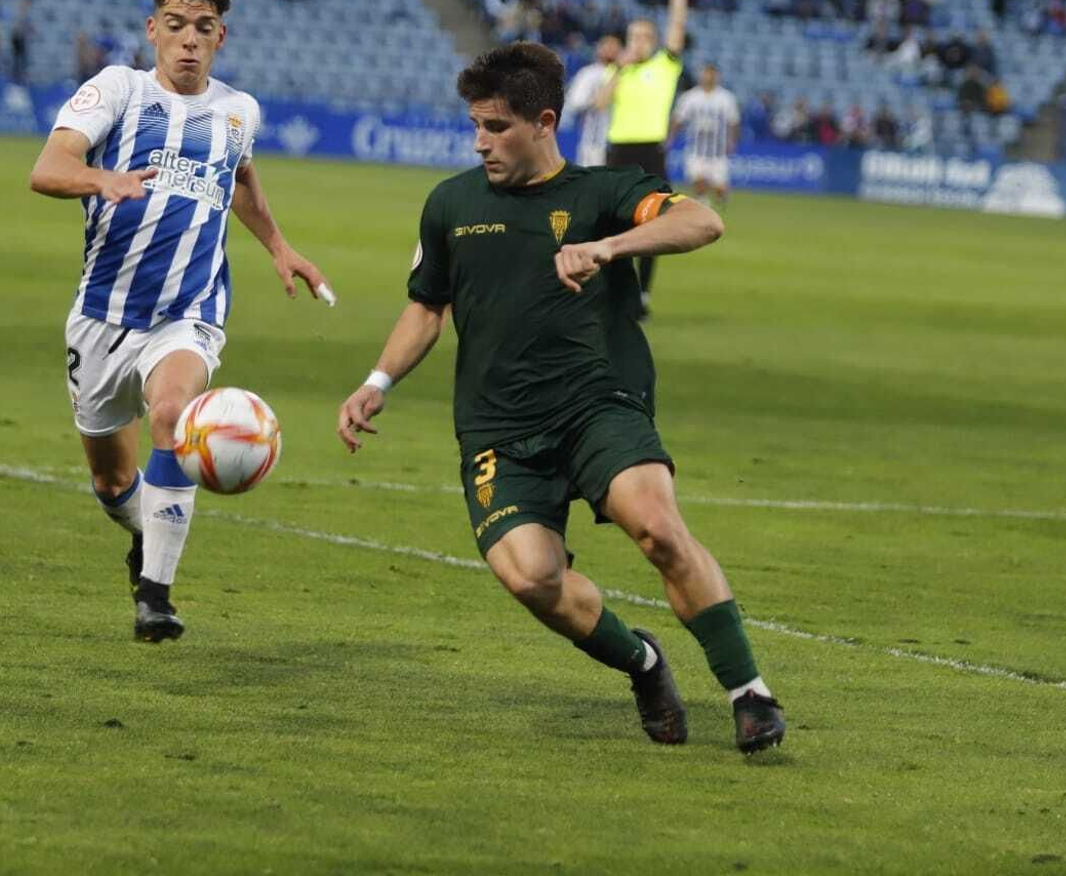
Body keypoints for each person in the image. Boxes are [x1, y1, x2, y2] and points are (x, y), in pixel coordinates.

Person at [335, 43, 785, 753]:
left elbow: (704, 220)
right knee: (532, 575)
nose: (481, 141)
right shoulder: (450, 204)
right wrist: (376, 382)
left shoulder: (602, 194)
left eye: (497, 126)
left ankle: (749, 692)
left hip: (595, 403)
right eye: (476, 125)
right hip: (497, 427)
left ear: (544, 121)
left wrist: (610, 248)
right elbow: (427, 307)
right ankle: (642, 662)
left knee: (659, 529)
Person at [28, 0, 331, 643]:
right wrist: (100, 179)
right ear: (152, 29)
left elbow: (242, 179)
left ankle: (156, 595)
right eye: (174, 26)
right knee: (112, 483)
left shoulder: (237, 110)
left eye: (202, 27)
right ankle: (143, 534)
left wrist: (281, 248)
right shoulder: (117, 90)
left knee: (172, 413)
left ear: (222, 34)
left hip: (188, 312)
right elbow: (46, 169)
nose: (188, 40)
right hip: (102, 315)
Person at [597, 0, 691, 319]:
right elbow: (601, 104)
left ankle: (643, 295)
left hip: (650, 151)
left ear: (652, 41)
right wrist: (620, 67)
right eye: (632, 36)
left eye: (643, 36)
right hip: (618, 151)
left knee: (653, 223)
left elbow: (678, 25)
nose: (637, 41)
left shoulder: (663, 67)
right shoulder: (618, 71)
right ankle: (613, 291)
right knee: (610, 223)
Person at [669, 63, 740, 207]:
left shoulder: (726, 98)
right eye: (706, 73)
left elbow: (734, 122)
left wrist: (733, 141)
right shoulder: (690, 97)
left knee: (720, 188)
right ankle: (702, 202)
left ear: (717, 76)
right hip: (696, 149)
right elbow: (678, 119)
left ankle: (721, 195)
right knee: (698, 180)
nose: (709, 77)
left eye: (712, 74)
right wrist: (670, 137)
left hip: (718, 152)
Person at [561, 32, 620, 169]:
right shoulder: (588, 73)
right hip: (594, 139)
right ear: (599, 48)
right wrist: (596, 99)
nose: (611, 50)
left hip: (620, 138)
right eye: (607, 45)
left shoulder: (627, 73)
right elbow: (575, 103)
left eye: (615, 46)